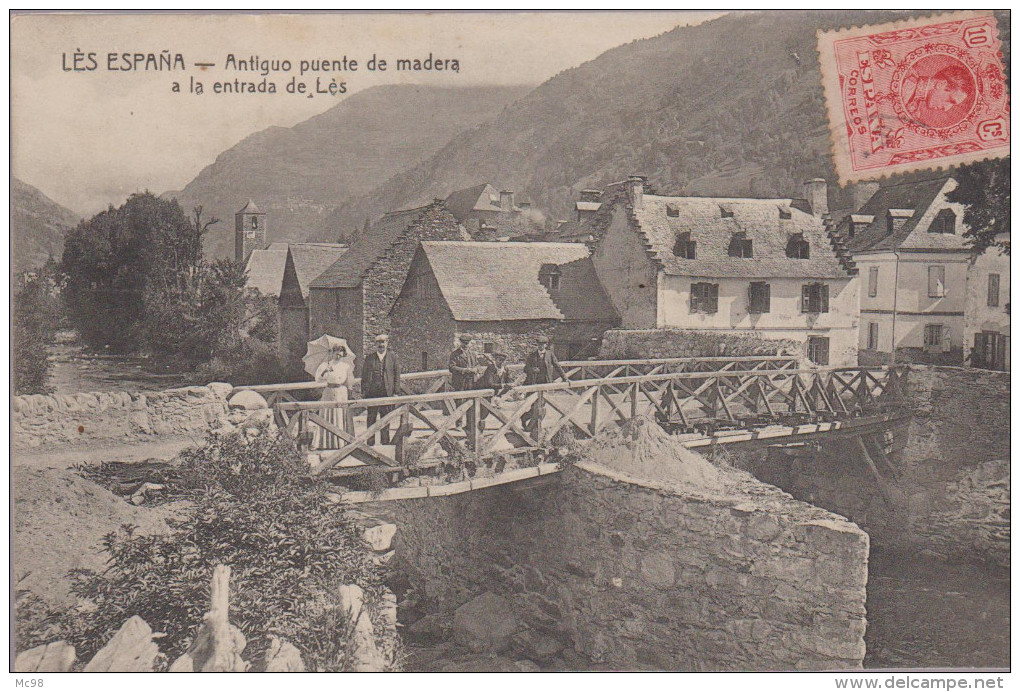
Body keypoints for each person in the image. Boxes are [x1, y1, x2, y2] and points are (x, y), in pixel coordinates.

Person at [901, 62, 974, 128]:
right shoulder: (904, 85)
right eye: (950, 100)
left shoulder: (915, 110)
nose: (946, 109)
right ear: (941, 84)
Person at [523, 335, 568, 432]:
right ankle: (526, 419)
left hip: (546, 383)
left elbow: (557, 366)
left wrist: (565, 378)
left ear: (546, 345)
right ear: (537, 345)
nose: (541, 346)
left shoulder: (549, 354)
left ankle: (532, 427)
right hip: (534, 384)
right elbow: (525, 369)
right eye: (539, 344)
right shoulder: (532, 355)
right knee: (535, 405)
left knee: (541, 405)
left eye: (543, 344)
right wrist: (532, 370)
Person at [313, 344, 355, 449]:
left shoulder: (346, 366)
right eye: (336, 354)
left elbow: (349, 382)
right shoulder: (325, 365)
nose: (338, 357)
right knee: (328, 415)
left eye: (340, 355)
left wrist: (350, 393)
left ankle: (342, 441)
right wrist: (325, 371)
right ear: (332, 353)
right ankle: (326, 442)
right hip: (329, 391)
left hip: (341, 392)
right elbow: (318, 379)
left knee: (340, 415)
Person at [361, 334, 401, 445]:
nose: (381, 345)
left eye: (383, 342)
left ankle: (385, 442)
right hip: (372, 393)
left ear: (387, 343)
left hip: (387, 392)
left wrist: (396, 392)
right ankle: (370, 442)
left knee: (386, 418)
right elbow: (364, 376)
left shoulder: (393, 357)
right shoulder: (370, 358)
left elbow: (397, 375)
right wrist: (364, 393)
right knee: (371, 418)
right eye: (378, 342)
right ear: (375, 344)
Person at [449, 334, 484, 435]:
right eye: (464, 343)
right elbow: (451, 367)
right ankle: (459, 424)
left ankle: (469, 424)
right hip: (460, 381)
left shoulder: (472, 353)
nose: (465, 345)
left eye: (467, 343)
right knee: (460, 402)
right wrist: (465, 370)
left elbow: (477, 364)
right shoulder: (455, 354)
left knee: (471, 402)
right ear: (460, 343)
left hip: (471, 381)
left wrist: (477, 369)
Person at [478, 351, 514, 431]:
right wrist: (502, 386)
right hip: (483, 390)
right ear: (495, 360)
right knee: (484, 411)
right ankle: (479, 429)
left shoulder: (505, 368)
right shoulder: (491, 368)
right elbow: (489, 383)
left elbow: (509, 379)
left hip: (494, 392)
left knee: (491, 409)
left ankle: (506, 426)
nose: (501, 362)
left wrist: (510, 384)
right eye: (499, 360)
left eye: (503, 361)